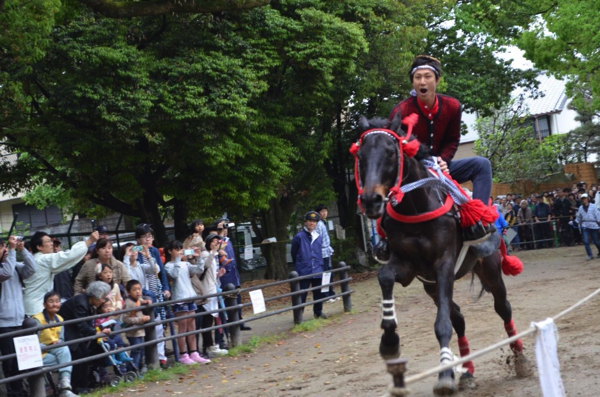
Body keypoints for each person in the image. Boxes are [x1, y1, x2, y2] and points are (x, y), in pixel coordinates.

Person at [388, 55, 494, 242]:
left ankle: (479, 220)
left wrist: (444, 160)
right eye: (418, 77)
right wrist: (420, 162)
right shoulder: (401, 111)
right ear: (412, 82)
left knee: (482, 164)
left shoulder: (452, 106)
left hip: (443, 167)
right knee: (381, 181)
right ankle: (386, 237)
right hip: (413, 173)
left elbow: (453, 139)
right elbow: (394, 147)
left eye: (427, 76)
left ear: (437, 80)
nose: (422, 81)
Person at [24, 230, 99, 316]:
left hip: (32, 307)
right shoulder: (43, 259)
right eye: (48, 241)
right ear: (39, 247)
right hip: (37, 309)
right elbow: (69, 256)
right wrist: (89, 241)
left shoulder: (34, 260)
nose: (51, 244)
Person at [58, 281, 112, 394]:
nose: (103, 300)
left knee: (86, 353)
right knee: (80, 355)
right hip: (68, 333)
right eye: (102, 297)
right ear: (95, 296)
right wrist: (96, 333)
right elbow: (82, 325)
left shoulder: (88, 303)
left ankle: (84, 384)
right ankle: (77, 387)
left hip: (76, 332)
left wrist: (99, 330)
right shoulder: (81, 303)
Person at [0, 236, 36, 397]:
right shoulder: (7, 267)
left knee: (21, 360)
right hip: (3, 322)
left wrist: (23, 251)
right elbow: (6, 272)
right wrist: (14, 251)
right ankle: (13, 392)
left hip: (19, 319)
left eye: (6, 247)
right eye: (3, 247)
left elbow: (32, 269)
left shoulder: (13, 264)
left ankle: (21, 390)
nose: (6, 250)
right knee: (9, 361)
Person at [164, 240, 210, 364]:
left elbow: (199, 269)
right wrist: (179, 260)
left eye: (181, 249)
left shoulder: (185, 264)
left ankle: (194, 352)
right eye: (176, 249)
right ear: (170, 251)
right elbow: (175, 275)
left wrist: (198, 256)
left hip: (190, 297)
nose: (179, 252)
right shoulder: (168, 265)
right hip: (179, 299)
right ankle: (183, 355)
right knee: (183, 328)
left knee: (192, 327)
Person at [134, 224, 171, 366]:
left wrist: (166, 288)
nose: (147, 240)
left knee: (159, 324)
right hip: (141, 291)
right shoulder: (135, 251)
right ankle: (147, 359)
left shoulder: (154, 251)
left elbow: (161, 272)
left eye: (149, 236)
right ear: (138, 239)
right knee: (144, 325)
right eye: (143, 237)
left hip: (156, 290)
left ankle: (161, 357)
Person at [32, 291, 78, 397]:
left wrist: (58, 343)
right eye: (51, 301)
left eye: (57, 301)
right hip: (39, 354)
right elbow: (31, 345)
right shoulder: (36, 320)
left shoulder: (60, 319)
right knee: (65, 359)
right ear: (44, 304)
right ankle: (64, 389)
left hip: (53, 352)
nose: (54, 304)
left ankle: (65, 385)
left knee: (64, 349)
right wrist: (48, 346)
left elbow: (61, 339)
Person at [216, 218, 251, 331]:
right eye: (223, 226)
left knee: (237, 298)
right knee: (228, 299)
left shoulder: (228, 240)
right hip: (225, 275)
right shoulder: (217, 241)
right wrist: (220, 232)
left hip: (234, 274)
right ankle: (231, 324)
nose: (225, 229)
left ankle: (239, 321)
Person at [291, 211, 327, 319]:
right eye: (310, 221)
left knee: (318, 292)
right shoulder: (299, 237)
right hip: (304, 269)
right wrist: (299, 264)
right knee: (302, 293)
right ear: (306, 222)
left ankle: (318, 312)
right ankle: (299, 315)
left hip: (317, 268)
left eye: (314, 221)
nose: (312, 223)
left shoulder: (318, 237)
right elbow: (294, 252)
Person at [198, 233, 229, 358]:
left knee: (211, 319)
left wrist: (218, 275)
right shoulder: (206, 254)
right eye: (214, 241)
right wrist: (213, 252)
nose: (216, 243)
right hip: (207, 291)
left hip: (212, 288)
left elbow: (209, 274)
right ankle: (209, 346)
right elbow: (204, 267)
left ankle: (210, 345)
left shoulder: (213, 255)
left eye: (218, 241)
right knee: (207, 320)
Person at [121, 280, 152, 370]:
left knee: (140, 349)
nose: (138, 291)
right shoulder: (128, 303)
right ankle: (132, 369)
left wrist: (145, 302)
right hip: (132, 331)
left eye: (139, 289)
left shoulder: (138, 299)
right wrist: (140, 319)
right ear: (128, 292)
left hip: (139, 330)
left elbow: (139, 301)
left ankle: (138, 368)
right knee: (136, 350)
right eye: (134, 290)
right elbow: (125, 318)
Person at [93, 300, 132, 365]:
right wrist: (101, 333)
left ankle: (121, 356)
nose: (108, 308)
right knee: (111, 342)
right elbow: (96, 328)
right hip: (102, 336)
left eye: (110, 306)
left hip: (109, 334)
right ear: (99, 309)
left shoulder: (109, 316)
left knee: (119, 339)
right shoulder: (98, 319)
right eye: (105, 307)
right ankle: (111, 359)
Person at [315, 204, 337, 302]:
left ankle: (331, 293)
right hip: (322, 253)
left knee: (329, 273)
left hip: (327, 251)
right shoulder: (318, 224)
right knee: (325, 274)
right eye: (322, 211)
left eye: (326, 211)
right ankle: (325, 295)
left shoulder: (323, 223)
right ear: (318, 213)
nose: (325, 213)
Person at [575, 194, 600, 260]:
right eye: (582, 199)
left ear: (588, 199)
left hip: (593, 226)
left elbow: (597, 215)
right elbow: (578, 217)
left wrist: (599, 222)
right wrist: (574, 222)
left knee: (596, 241)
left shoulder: (593, 206)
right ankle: (590, 255)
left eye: (585, 198)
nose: (584, 200)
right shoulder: (580, 208)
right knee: (586, 241)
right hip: (585, 226)